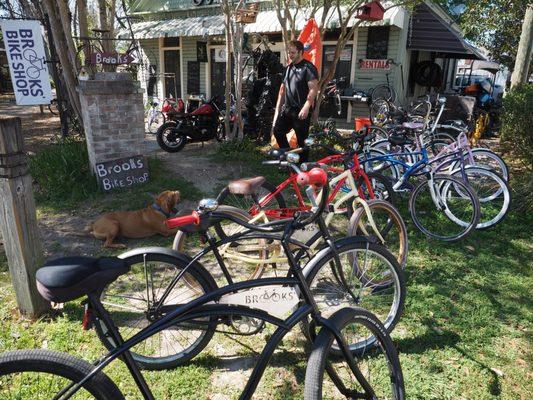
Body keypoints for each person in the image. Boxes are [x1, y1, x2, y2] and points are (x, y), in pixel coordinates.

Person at [271, 40, 319, 160]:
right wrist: (278, 110)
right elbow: (283, 90)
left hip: (301, 110)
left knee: (302, 141)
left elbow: (313, 89)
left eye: (293, 52)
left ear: (300, 52)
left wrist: (307, 106)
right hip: (288, 110)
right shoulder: (288, 68)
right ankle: (289, 157)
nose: (290, 55)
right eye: (289, 52)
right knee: (278, 131)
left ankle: (303, 165)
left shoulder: (308, 68)